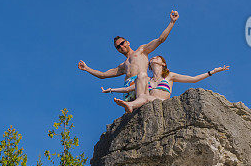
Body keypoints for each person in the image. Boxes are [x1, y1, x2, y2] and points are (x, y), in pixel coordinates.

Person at [78, 10, 179, 103]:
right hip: (128, 90)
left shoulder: (142, 51)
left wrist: (172, 22)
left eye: (122, 43)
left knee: (143, 91)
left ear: (128, 42)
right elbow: (102, 75)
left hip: (141, 85)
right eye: (118, 47)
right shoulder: (123, 66)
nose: (121, 46)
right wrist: (87, 68)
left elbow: (160, 39)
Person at [102, 55, 230, 113]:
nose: (153, 58)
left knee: (144, 96)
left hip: (160, 102)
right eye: (152, 58)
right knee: (141, 76)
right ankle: (132, 105)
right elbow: (130, 89)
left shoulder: (169, 76)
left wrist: (212, 72)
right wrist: (111, 90)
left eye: (157, 58)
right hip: (145, 99)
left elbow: (193, 79)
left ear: (163, 63)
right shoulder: (148, 79)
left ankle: (130, 105)